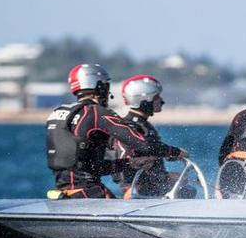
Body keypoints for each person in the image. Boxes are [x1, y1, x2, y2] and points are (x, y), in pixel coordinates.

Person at [45, 64, 187, 199]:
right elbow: (142, 144)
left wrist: (131, 163)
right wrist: (174, 152)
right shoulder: (96, 113)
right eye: (106, 86)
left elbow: (89, 168)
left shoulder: (58, 113)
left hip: (62, 193)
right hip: (89, 193)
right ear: (100, 86)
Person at [111, 74, 191, 198]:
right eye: (157, 97)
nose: (162, 101)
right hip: (138, 190)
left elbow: (148, 153)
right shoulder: (130, 126)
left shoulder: (141, 124)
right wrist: (174, 152)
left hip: (149, 185)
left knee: (186, 186)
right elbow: (138, 154)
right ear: (145, 99)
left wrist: (167, 159)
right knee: (186, 191)